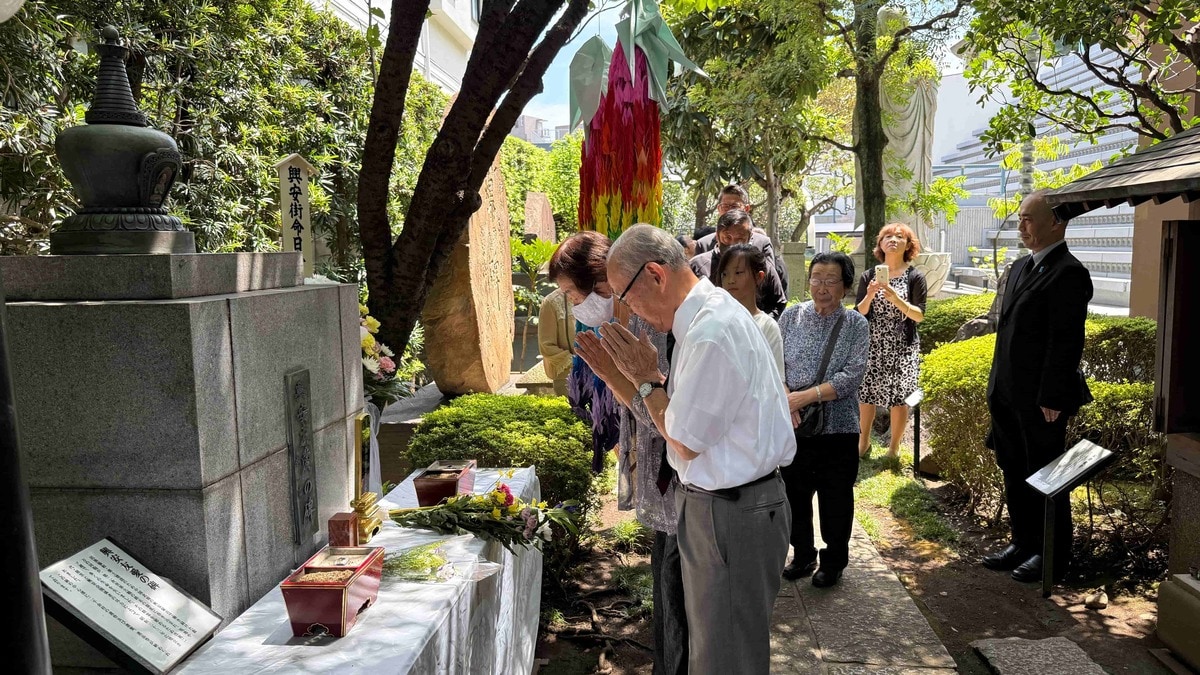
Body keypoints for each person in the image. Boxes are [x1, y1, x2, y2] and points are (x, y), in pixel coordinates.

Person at [583, 224, 794, 675]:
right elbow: (676, 417)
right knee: (713, 651)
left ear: (655, 274)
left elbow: (682, 440)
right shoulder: (702, 320)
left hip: (732, 511)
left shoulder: (711, 331)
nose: (628, 309)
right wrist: (624, 376)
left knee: (724, 660)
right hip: (719, 507)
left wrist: (643, 377)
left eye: (626, 295)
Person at [569, 271, 689, 675]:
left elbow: (670, 425)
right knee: (666, 591)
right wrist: (611, 374)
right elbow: (643, 408)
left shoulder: (679, 329)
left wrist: (634, 378)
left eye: (616, 290)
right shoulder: (636, 323)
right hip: (666, 482)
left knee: (677, 595)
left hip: (687, 486)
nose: (577, 304)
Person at [983, 190, 1093, 583]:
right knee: (1013, 469)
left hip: (1041, 400)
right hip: (1007, 391)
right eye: (1020, 218)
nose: (1021, 225)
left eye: (1028, 218)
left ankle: (1052, 556)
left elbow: (1065, 341)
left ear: (1056, 222)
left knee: (1045, 474)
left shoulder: (1069, 272)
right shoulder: (1018, 267)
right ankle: (1022, 542)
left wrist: (1053, 395)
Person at [777, 252, 869, 588]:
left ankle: (833, 561)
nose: (822, 287)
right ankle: (803, 554)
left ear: (846, 286)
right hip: (795, 425)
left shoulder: (855, 324)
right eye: (816, 279)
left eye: (831, 281)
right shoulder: (791, 316)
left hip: (839, 428)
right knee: (794, 495)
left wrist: (804, 397)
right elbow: (775, 363)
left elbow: (852, 376)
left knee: (836, 498)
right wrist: (787, 398)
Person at [547, 232, 620, 473]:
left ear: (597, 279)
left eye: (571, 292)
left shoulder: (642, 320)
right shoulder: (592, 325)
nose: (573, 302)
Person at [854, 223, 927, 460]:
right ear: (881, 244)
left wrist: (896, 299)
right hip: (873, 343)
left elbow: (919, 315)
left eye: (899, 237)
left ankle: (894, 449)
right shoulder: (869, 275)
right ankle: (863, 442)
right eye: (887, 236)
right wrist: (870, 295)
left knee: (899, 397)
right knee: (866, 394)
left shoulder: (915, 276)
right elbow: (859, 312)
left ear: (908, 245)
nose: (893, 240)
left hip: (903, 345)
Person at [690, 209, 787, 318]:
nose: (733, 244)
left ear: (750, 237)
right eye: (727, 238)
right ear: (717, 236)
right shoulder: (697, 266)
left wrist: (758, 323)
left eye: (740, 239)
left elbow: (778, 302)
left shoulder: (761, 265)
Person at [716, 243, 784, 378]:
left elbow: (775, 378)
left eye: (738, 273)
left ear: (759, 277)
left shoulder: (767, 326)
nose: (730, 280)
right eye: (725, 274)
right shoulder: (715, 321)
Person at [537, 288, 576, 396]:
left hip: (599, 374)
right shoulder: (551, 302)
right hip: (566, 376)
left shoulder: (594, 295)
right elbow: (546, 346)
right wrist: (574, 362)